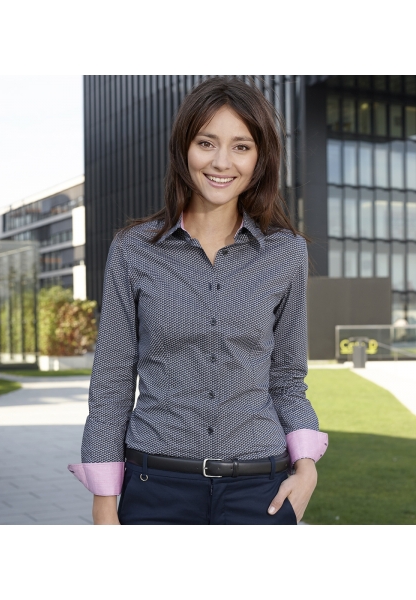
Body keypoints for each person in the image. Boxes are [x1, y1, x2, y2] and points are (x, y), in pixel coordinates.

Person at [68, 76, 328, 525]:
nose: (222, 162)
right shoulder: (132, 250)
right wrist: (105, 501)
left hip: (260, 489)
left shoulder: (286, 252)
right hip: (155, 488)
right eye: (207, 143)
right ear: (184, 149)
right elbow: (111, 381)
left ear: (261, 157)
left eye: (241, 147)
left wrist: (306, 468)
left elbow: (286, 377)